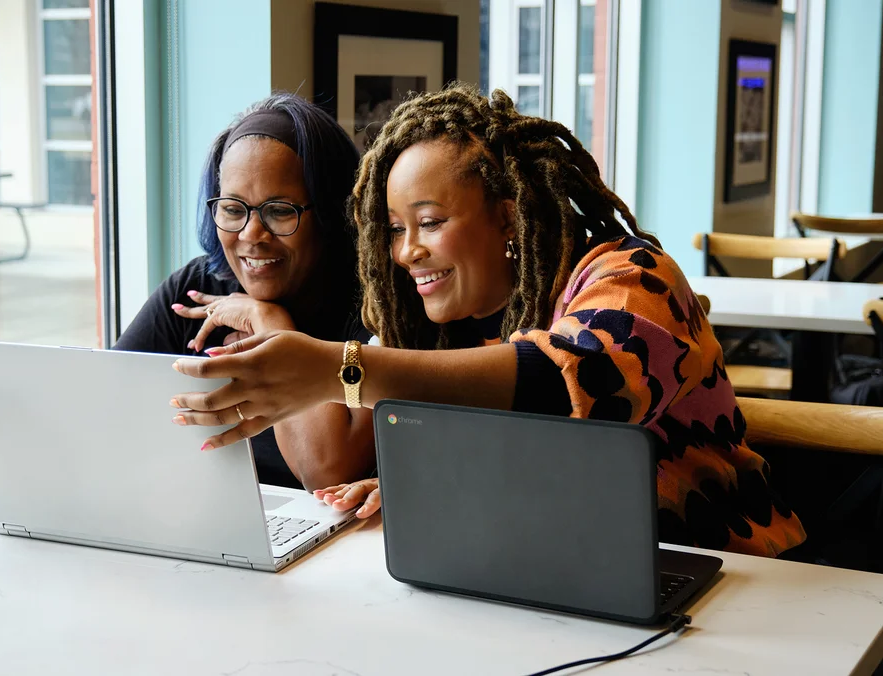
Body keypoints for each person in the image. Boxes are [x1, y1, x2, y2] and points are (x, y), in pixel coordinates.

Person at [169, 84, 806, 557]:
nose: (404, 251)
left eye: (429, 222)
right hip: (553, 570)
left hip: (730, 574)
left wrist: (342, 369)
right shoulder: (442, 321)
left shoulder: (636, 280)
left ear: (506, 218)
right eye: (394, 230)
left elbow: (571, 386)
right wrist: (432, 488)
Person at [115, 93, 374, 491]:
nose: (252, 235)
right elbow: (104, 403)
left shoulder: (374, 311)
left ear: (330, 212)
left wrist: (271, 325)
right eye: (233, 209)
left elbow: (326, 472)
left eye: (280, 210)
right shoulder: (197, 288)